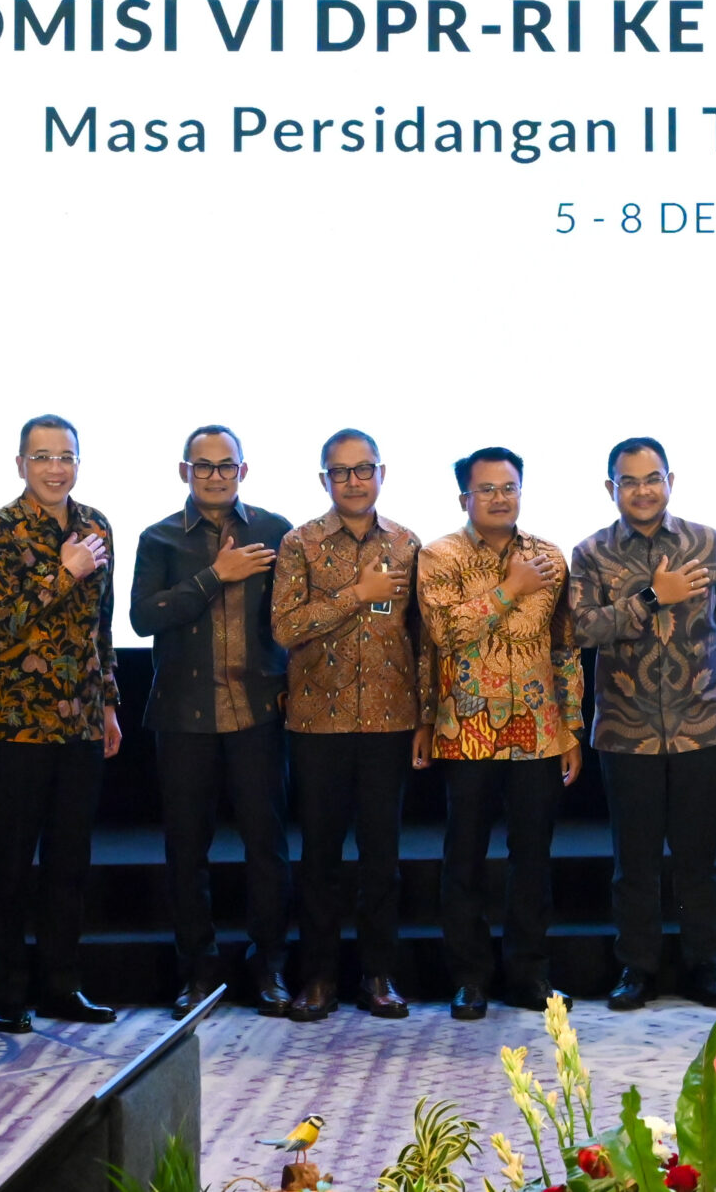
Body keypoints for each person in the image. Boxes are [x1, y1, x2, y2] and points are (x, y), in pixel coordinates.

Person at [567, 437, 716, 1012]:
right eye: (629, 481)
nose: (642, 491)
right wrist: (651, 597)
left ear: (670, 481)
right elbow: (581, 629)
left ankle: (705, 967)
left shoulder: (707, 542)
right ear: (611, 488)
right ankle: (637, 969)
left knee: (699, 862)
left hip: (703, 726)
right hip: (626, 732)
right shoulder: (591, 552)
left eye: (652, 479)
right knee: (635, 864)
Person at [131, 425, 296, 1019]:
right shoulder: (159, 538)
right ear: (185, 472)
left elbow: (293, 619)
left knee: (267, 848)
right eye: (203, 466)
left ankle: (269, 967)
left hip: (258, 711)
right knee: (186, 851)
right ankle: (198, 973)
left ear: (243, 471)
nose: (216, 476)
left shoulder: (276, 531)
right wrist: (215, 575)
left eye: (226, 465)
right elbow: (144, 618)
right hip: (183, 714)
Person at [418, 446, 583, 1019]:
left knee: (532, 858)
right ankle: (469, 978)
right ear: (464, 497)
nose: (499, 498)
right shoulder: (438, 556)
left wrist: (571, 727)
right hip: (466, 728)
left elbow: (563, 646)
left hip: (538, 729)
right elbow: (443, 634)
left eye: (508, 487)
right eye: (486, 489)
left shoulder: (550, 557)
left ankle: (529, 975)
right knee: (464, 856)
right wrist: (510, 588)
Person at [0, 413, 121, 1032]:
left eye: (66, 456)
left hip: (80, 720)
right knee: (10, 865)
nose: (55, 468)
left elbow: (101, 625)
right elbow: (0, 622)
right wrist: (65, 571)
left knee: (69, 864)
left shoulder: (97, 525)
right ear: (20, 464)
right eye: (42, 457)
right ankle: (6, 993)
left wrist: (108, 702)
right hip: (15, 722)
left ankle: (63, 985)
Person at [272, 428, 420, 1023]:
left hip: (390, 720)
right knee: (320, 859)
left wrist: (426, 718)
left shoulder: (408, 544)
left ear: (381, 474)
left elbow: (421, 639)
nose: (353, 481)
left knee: (382, 857)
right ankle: (318, 978)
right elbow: (285, 627)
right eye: (341, 472)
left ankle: (379, 976)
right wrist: (357, 593)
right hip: (317, 724)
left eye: (364, 470)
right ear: (324, 479)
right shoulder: (299, 543)